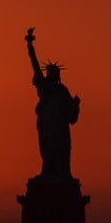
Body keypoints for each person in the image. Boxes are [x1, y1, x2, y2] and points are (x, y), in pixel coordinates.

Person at [25, 28, 80, 180]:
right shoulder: (43, 86)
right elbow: (35, 65)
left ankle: (60, 174)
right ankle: (48, 172)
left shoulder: (62, 90)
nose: (49, 74)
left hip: (59, 127)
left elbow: (71, 117)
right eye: (48, 72)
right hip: (46, 125)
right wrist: (30, 46)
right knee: (47, 150)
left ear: (57, 75)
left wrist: (76, 105)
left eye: (52, 72)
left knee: (60, 149)